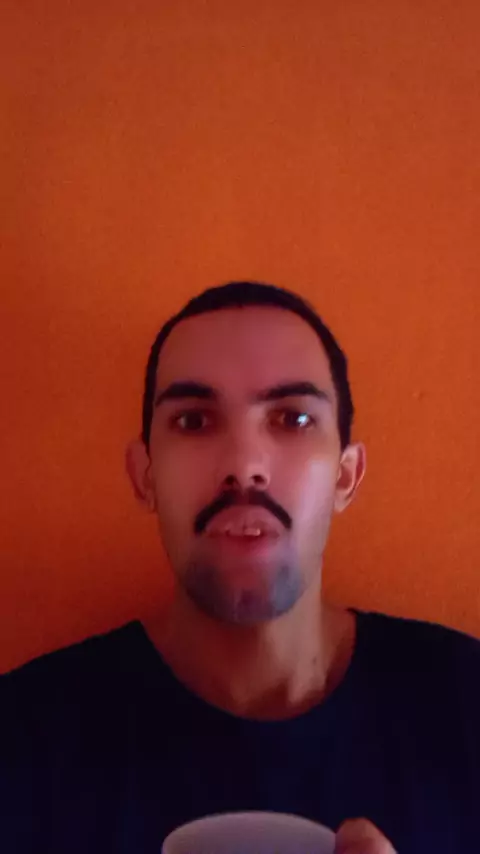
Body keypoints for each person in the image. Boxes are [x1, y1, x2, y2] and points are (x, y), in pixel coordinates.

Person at [1, 281, 478, 854]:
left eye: (293, 419)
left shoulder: (466, 707)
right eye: (194, 421)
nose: (245, 465)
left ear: (345, 477)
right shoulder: (21, 740)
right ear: (144, 475)